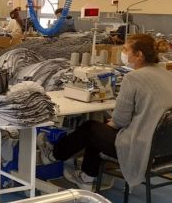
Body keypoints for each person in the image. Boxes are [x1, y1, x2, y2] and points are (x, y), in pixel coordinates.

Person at [38, 34, 172, 190]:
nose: (123, 53)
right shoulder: (167, 75)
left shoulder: (133, 78)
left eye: (126, 50)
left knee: (91, 128)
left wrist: (112, 122)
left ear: (139, 55)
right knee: (100, 129)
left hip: (142, 147)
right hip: (164, 148)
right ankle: (87, 176)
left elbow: (120, 120)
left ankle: (53, 155)